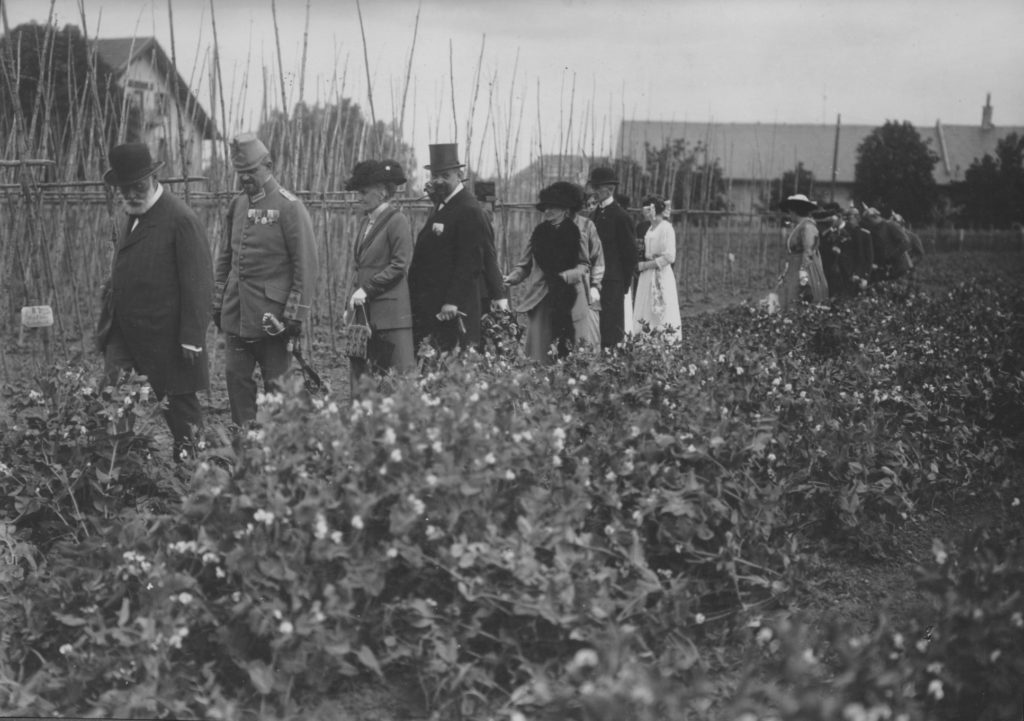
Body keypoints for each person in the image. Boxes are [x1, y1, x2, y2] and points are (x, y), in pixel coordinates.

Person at [96, 142, 213, 461]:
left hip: (166, 333)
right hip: (125, 328)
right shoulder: (133, 214)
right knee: (115, 397)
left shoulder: (180, 219)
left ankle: (198, 469)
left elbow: (199, 283)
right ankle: (119, 466)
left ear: (153, 179)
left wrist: (191, 338)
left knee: (178, 403)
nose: (131, 194)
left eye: (137, 187)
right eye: (124, 189)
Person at [212, 133, 318, 427]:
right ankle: (245, 445)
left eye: (251, 172)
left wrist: (294, 316)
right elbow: (226, 259)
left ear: (268, 165)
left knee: (278, 391)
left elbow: (305, 265)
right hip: (237, 315)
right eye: (241, 173)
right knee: (236, 380)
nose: (245, 179)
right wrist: (218, 302)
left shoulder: (290, 207)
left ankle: (280, 452)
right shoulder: (237, 206)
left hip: (274, 321)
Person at [408, 144, 486, 354]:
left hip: (450, 308)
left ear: (459, 175)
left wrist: (452, 301)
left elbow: (470, 261)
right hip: (432, 302)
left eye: (445, 175)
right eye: (435, 175)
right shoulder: (443, 205)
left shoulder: (468, 208)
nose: (438, 180)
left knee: (448, 365)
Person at [344, 159, 416, 383]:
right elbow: (360, 267)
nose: (359, 197)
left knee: (395, 380)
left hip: (391, 315)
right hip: (366, 314)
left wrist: (367, 290)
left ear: (383, 192)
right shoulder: (367, 223)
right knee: (364, 378)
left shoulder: (397, 221)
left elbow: (399, 265)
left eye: (364, 192)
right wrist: (350, 305)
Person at [502, 182, 590, 363]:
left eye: (553, 207)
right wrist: (512, 278)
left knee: (568, 347)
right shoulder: (538, 234)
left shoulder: (577, 234)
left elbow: (584, 265)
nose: (548, 211)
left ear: (565, 210)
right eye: (546, 207)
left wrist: (567, 276)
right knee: (539, 350)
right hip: (541, 296)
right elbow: (524, 266)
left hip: (568, 296)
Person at [587, 167, 636, 347]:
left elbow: (629, 254)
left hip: (613, 281)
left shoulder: (621, 216)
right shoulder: (594, 215)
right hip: (595, 282)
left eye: (598, 188)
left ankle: (612, 368)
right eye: (594, 187)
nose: (595, 192)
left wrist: (623, 284)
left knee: (612, 328)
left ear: (610, 189)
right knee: (596, 327)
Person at [632, 195, 682, 341]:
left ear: (653, 210)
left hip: (660, 273)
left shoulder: (666, 228)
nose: (644, 212)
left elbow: (670, 256)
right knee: (645, 307)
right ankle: (644, 342)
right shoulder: (650, 228)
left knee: (661, 310)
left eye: (647, 209)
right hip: (647, 275)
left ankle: (664, 342)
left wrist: (646, 265)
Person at [777, 194, 828, 311]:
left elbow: (808, 251)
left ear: (795, 211)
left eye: (790, 211)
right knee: (790, 299)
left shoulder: (807, 227)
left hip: (803, 269)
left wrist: (804, 274)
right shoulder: (800, 226)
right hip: (794, 267)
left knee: (799, 300)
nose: (789, 214)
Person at [473, 180, 510, 315]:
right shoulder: (481, 216)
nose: (492, 208)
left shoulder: (481, 215)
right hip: (482, 285)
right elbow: (488, 256)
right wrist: (498, 292)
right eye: (489, 203)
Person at [860, 206, 912, 281]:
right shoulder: (874, 229)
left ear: (874, 217)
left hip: (900, 267)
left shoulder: (890, 225)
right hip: (887, 268)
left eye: (868, 220)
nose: (867, 223)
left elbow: (906, 242)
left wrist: (893, 255)